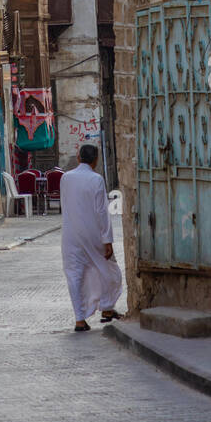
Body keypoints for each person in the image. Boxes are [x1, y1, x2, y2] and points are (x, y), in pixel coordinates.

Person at [59, 142, 122, 332]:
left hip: (70, 235)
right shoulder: (96, 180)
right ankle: (107, 307)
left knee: (75, 275)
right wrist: (107, 239)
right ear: (95, 161)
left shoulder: (65, 178)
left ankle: (80, 319)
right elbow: (102, 212)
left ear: (78, 158)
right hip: (92, 233)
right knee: (108, 269)